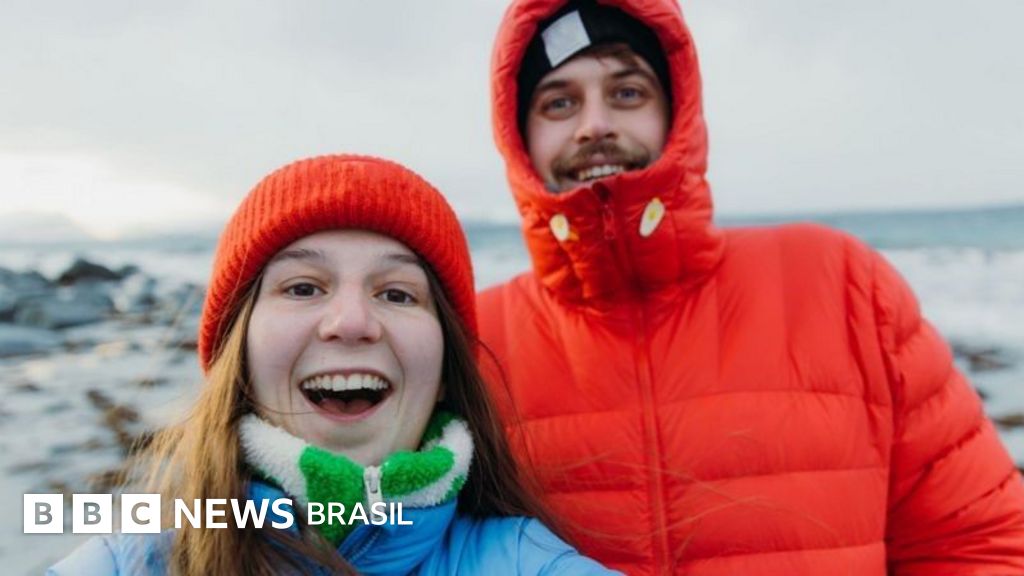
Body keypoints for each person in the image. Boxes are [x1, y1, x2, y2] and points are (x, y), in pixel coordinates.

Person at [478, 0, 1024, 574]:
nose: (595, 124)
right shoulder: (473, 343)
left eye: (628, 92)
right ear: (519, 136)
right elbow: (390, 533)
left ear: (678, 112)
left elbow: (979, 542)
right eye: (559, 102)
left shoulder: (844, 288)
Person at [49, 155, 617, 575]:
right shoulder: (132, 561)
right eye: (302, 288)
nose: (351, 322)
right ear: (237, 356)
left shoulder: (528, 564)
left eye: (397, 294)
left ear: (446, 368)